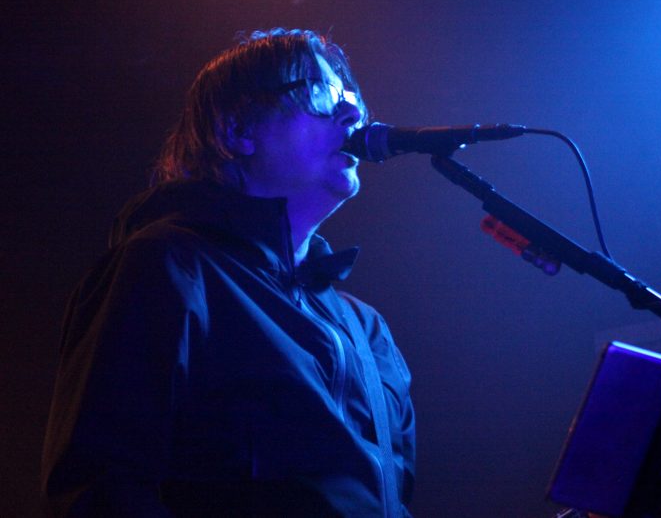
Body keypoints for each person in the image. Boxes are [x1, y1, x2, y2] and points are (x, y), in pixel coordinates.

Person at [41, 29, 415, 517]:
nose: (351, 114)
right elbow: (101, 488)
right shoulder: (167, 267)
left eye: (352, 100)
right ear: (236, 130)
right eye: (321, 93)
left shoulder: (367, 330)